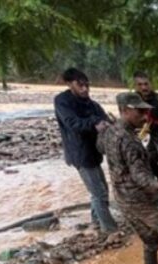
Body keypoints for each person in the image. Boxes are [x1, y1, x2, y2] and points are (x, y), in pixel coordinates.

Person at [98, 93, 158, 264]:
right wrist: (157, 184)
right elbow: (139, 175)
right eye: (140, 112)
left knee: (152, 241)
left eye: (146, 111)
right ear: (125, 110)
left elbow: (100, 148)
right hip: (140, 198)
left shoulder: (110, 131)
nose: (145, 116)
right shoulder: (129, 140)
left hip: (122, 198)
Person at [54, 67, 118, 234]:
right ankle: (110, 230)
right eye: (80, 85)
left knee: (101, 190)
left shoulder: (92, 104)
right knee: (99, 193)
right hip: (79, 153)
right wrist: (94, 124)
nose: (84, 89)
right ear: (70, 84)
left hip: (94, 152)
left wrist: (110, 124)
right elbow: (72, 123)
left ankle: (96, 222)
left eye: (87, 85)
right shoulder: (62, 101)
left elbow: (104, 118)